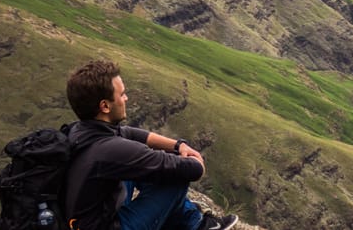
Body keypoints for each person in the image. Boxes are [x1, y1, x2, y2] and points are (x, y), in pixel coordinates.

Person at [63, 59, 238, 230]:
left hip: (88, 218)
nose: (126, 98)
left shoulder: (80, 131)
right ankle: (193, 223)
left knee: (143, 170)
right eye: (122, 94)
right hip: (109, 225)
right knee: (175, 178)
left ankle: (196, 223)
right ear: (105, 106)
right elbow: (189, 170)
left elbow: (130, 133)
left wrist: (179, 146)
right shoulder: (111, 150)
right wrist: (197, 162)